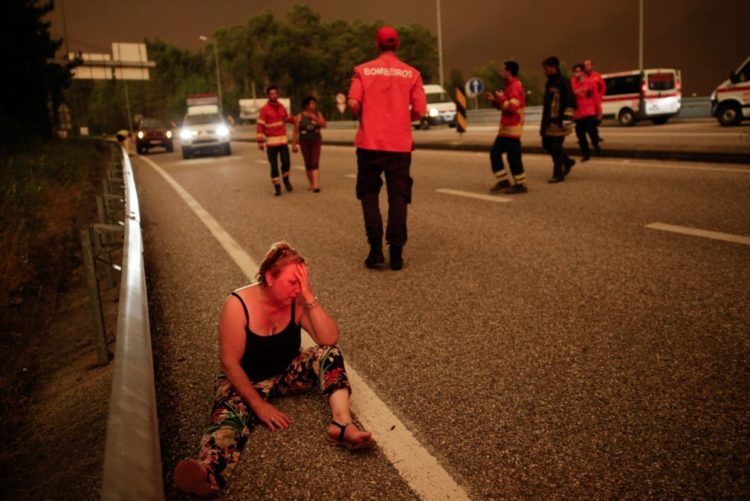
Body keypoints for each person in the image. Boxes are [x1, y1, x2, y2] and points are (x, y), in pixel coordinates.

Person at [173, 242, 375, 497]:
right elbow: (230, 363)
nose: (297, 289)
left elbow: (329, 339)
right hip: (246, 379)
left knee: (329, 355)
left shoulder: (297, 301)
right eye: (293, 282)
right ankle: (206, 471)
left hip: (284, 374)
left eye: (302, 282)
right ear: (270, 277)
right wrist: (259, 405)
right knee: (230, 422)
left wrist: (309, 296)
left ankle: (342, 424)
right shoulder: (237, 305)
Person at [347, 25, 427, 271]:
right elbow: (421, 111)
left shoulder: (362, 71)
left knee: (369, 194)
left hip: (369, 144)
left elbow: (353, 104)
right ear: (397, 44)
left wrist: (368, 114)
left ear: (377, 44)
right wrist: (402, 120)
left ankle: (374, 250)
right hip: (400, 146)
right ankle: (396, 254)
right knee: (398, 196)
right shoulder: (412, 74)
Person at [484, 60, 528, 194]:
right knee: (495, 153)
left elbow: (513, 107)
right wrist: (495, 101)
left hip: (513, 129)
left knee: (513, 157)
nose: (500, 72)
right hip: (505, 130)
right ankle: (503, 181)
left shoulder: (515, 86)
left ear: (509, 71)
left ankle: (521, 184)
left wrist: (502, 98)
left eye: (503, 70)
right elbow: (505, 106)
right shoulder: (509, 86)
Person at [540, 56, 576, 183]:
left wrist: (567, 122)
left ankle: (558, 173)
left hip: (560, 121)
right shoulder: (549, 83)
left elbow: (570, 101)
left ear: (554, 67)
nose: (544, 71)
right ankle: (567, 161)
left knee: (556, 147)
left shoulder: (563, 81)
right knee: (546, 145)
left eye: (546, 68)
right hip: (549, 123)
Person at [257, 86, 296, 196]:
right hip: (271, 142)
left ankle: (286, 179)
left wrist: (294, 120)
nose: (274, 95)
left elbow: (287, 118)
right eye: (271, 94)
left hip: (283, 141)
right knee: (273, 165)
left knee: (286, 162)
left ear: (277, 94)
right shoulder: (264, 109)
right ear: (268, 96)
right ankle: (277, 186)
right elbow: (260, 125)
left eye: (275, 93)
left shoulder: (282, 107)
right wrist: (260, 141)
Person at [291, 96, 327, 193]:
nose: (314, 105)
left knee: (315, 161)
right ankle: (311, 183)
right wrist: (294, 145)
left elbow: (324, 125)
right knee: (308, 163)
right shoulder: (300, 116)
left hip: (316, 140)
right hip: (304, 141)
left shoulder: (318, 114)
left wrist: (315, 118)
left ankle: (316, 185)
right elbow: (295, 131)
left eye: (314, 103)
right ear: (306, 105)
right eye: (311, 103)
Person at [571, 63, 601, 162]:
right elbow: (569, 97)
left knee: (593, 133)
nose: (576, 74)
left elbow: (596, 97)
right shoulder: (572, 83)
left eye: (578, 71)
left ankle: (596, 147)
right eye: (574, 72)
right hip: (578, 114)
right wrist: (574, 94)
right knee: (581, 136)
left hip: (590, 112)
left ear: (583, 72)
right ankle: (585, 154)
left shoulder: (590, 82)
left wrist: (599, 112)